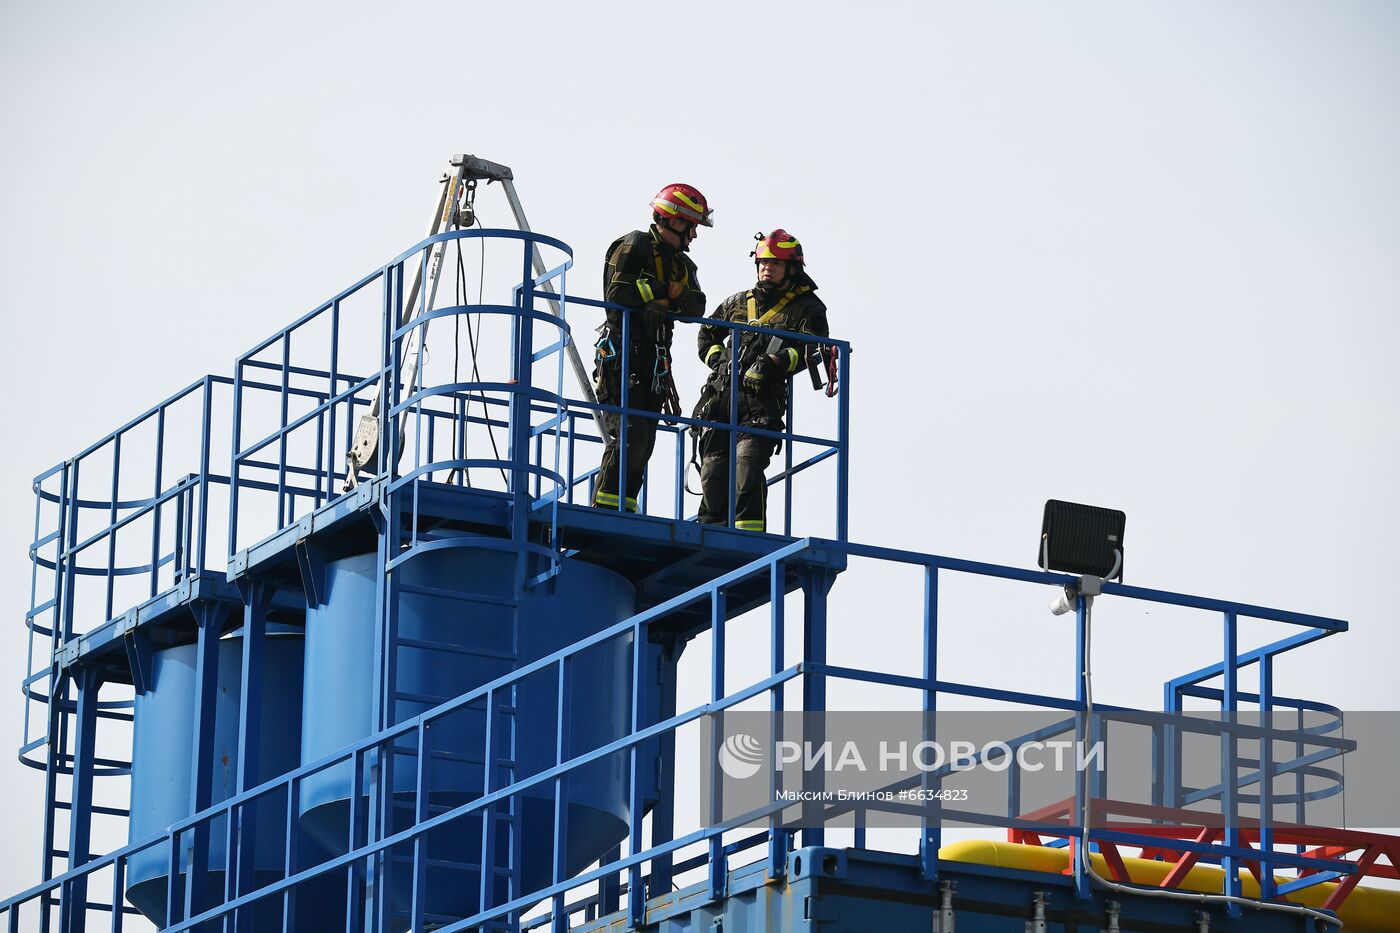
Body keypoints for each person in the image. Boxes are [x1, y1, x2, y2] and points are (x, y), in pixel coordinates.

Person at [693, 229, 829, 532]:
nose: (767, 268)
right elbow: (707, 334)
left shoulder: (808, 308)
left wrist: (774, 363)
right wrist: (717, 359)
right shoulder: (738, 302)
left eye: (776, 264)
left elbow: (813, 347)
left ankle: (748, 535)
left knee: (747, 468)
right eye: (763, 262)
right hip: (720, 401)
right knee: (712, 473)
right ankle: (710, 532)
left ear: (791, 269)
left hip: (761, 404)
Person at [592, 183, 712, 512]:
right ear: (675, 220)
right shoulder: (635, 244)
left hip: (654, 364)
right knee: (630, 436)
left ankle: (623, 507)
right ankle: (606, 509)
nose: (694, 235)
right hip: (622, 357)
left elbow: (696, 305)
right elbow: (617, 292)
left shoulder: (681, 264)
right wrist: (663, 292)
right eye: (692, 226)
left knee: (645, 443)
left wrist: (664, 298)